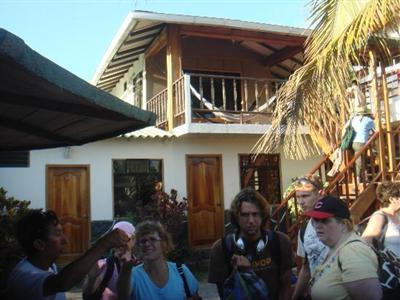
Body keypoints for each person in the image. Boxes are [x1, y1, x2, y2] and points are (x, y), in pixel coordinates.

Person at [5, 209, 129, 300]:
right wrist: (104, 243)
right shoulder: (25, 277)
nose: (65, 240)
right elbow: (62, 282)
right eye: (58, 234)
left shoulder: (48, 265)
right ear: (39, 244)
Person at [208, 187, 294, 300]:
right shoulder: (221, 248)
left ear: (262, 215)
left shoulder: (281, 242)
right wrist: (237, 273)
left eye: (255, 214)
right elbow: (224, 294)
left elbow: (286, 286)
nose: (251, 221)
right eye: (245, 215)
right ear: (236, 217)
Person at [304, 196, 382, 300]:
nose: (318, 225)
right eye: (315, 220)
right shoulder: (336, 247)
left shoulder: (353, 251)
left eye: (324, 220)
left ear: (344, 224)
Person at [117, 220, 200, 300]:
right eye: (143, 241)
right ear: (138, 247)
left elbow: (196, 297)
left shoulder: (181, 271)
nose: (147, 244)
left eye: (152, 239)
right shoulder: (133, 275)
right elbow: (122, 296)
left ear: (163, 244)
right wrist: (126, 268)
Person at [291, 175, 329, 300]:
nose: (301, 202)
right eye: (298, 197)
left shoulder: (340, 223)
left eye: (305, 196)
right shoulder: (304, 229)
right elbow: (307, 267)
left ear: (320, 194)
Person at [82, 221, 141, 300]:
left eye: (125, 238)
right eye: (115, 239)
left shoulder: (141, 267)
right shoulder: (103, 265)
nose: (119, 243)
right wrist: (91, 279)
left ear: (133, 240)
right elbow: (88, 294)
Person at [362, 181, 400, 257]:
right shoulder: (379, 217)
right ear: (392, 199)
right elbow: (365, 244)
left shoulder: (397, 216)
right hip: (388, 267)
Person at [350, 107, 375, 183]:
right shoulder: (369, 120)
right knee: (360, 161)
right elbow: (375, 129)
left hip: (354, 142)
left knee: (361, 160)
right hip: (362, 142)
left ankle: (364, 177)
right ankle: (358, 178)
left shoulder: (354, 119)